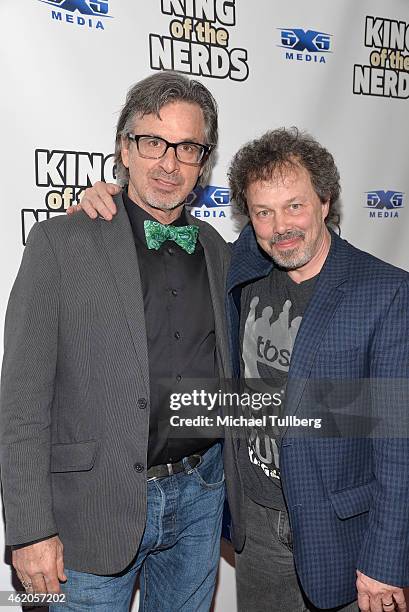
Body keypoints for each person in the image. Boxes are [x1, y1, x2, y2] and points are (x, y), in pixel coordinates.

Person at [79, 128, 409, 612]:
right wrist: (107, 197)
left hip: (342, 533)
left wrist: (385, 559)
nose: (281, 227)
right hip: (255, 529)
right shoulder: (241, 266)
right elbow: (154, 217)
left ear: (324, 202)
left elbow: (398, 444)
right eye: (263, 212)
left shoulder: (386, 292)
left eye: (295, 206)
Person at [0, 72, 231, 612]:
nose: (169, 164)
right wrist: (29, 529)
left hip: (201, 498)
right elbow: (22, 399)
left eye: (188, 148)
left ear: (204, 161)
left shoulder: (219, 249)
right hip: (92, 511)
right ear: (124, 149)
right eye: (153, 142)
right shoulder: (61, 241)